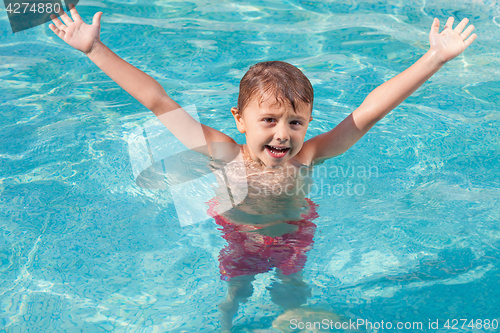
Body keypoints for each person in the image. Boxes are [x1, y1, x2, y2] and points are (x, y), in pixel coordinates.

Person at [49, 6, 476, 331]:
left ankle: (291, 314)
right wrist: (93, 49)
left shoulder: (309, 154)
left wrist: (434, 59)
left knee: (293, 288)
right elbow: (159, 102)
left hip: (294, 234)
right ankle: (226, 320)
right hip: (238, 233)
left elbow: (368, 112)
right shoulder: (222, 151)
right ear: (239, 119)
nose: (283, 134)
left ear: (308, 123)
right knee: (235, 289)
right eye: (269, 120)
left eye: (296, 122)